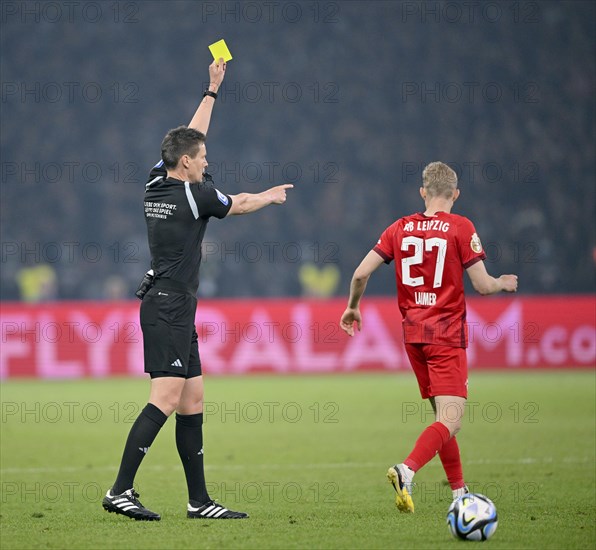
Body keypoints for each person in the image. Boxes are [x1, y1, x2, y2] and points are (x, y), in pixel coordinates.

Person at [102, 58, 293, 521]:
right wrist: (268, 196)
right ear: (187, 163)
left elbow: (188, 137)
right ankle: (119, 491)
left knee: (193, 400)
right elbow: (240, 203)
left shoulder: (156, 181)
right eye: (203, 157)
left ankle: (199, 501)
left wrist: (211, 90)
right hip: (168, 306)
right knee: (165, 399)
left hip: (172, 304)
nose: (208, 161)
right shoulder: (198, 194)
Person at [339, 161, 518, 513]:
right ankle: (406, 470)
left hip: (414, 335)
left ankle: (459, 493)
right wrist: (502, 282)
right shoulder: (460, 227)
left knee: (443, 418)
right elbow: (482, 286)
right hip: (446, 333)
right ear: (456, 194)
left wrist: (352, 307)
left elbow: (360, 274)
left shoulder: (399, 228)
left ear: (423, 192)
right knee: (452, 420)